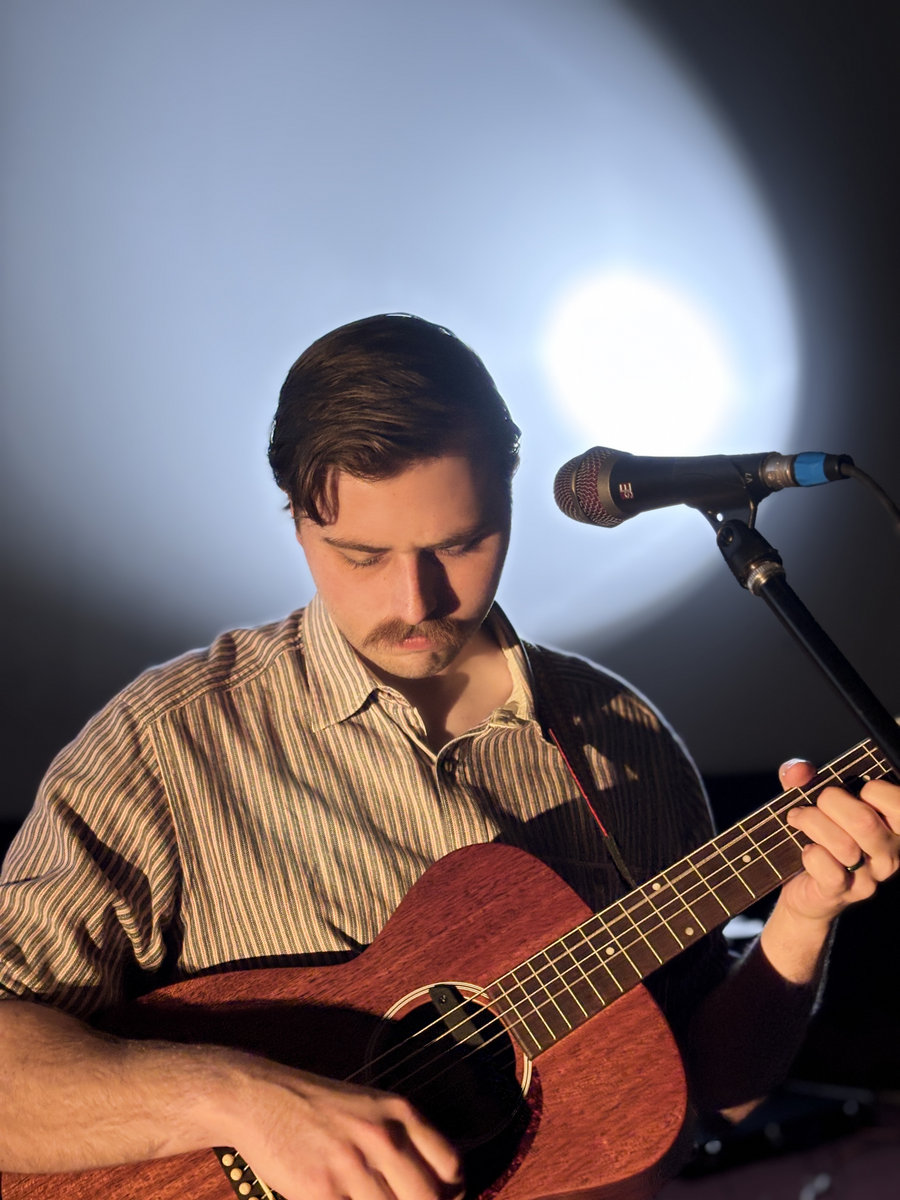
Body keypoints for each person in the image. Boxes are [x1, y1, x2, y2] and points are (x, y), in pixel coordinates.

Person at [0, 314, 897, 1200]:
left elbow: (702, 1094)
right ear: (297, 519)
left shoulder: (624, 743)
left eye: (460, 545)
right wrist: (240, 1101)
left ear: (508, 497)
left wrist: (804, 915)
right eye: (361, 555)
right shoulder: (166, 744)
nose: (416, 600)